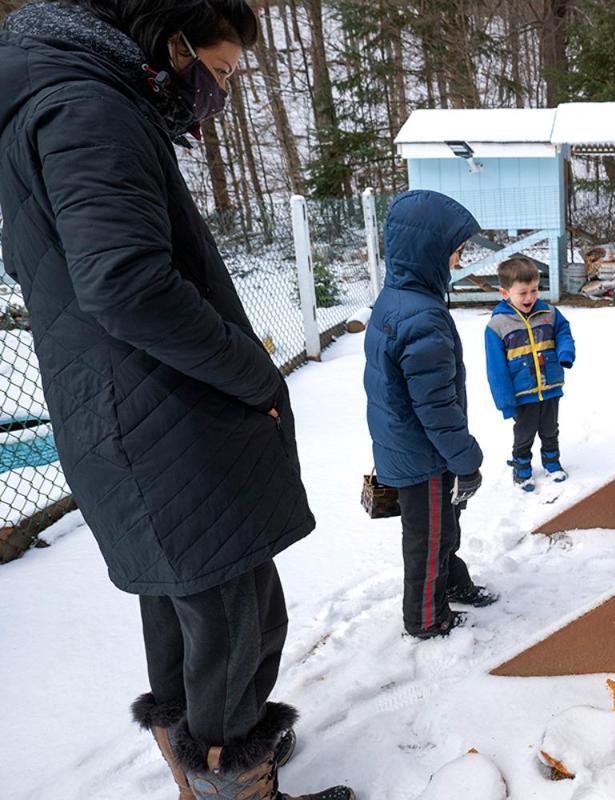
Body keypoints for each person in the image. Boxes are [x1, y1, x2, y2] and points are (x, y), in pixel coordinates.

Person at [0, 2, 353, 798]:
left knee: (182, 604)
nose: (219, 92)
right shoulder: (88, 107)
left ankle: (198, 767)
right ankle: (236, 775)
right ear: (174, 44)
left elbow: (50, 266)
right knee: (238, 620)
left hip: (122, 413)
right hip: (165, 420)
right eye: (221, 72)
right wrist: (250, 371)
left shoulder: (52, 97)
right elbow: (124, 282)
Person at [364, 190, 499, 640]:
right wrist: (467, 460)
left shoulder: (396, 298)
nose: (458, 261)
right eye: (454, 251)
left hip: (407, 445)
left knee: (444, 525)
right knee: (427, 540)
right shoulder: (421, 317)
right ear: (429, 252)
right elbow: (436, 408)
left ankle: (452, 584)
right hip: (423, 455)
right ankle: (424, 617)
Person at [484, 256, 576, 491]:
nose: (530, 297)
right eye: (522, 292)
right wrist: (505, 402)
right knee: (524, 433)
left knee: (550, 429)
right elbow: (496, 369)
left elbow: (563, 331)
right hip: (522, 392)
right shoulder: (497, 325)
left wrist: (565, 352)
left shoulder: (549, 313)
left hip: (550, 386)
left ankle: (552, 462)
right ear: (505, 294)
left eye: (534, 290)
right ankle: (521, 468)